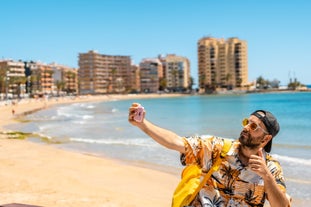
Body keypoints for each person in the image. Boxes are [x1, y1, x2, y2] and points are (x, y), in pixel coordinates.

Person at [128, 103, 291, 207]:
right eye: (246, 122)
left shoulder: (271, 168)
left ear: (266, 138)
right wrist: (143, 125)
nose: (246, 127)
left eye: (254, 126)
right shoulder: (217, 148)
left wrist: (267, 177)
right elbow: (177, 142)